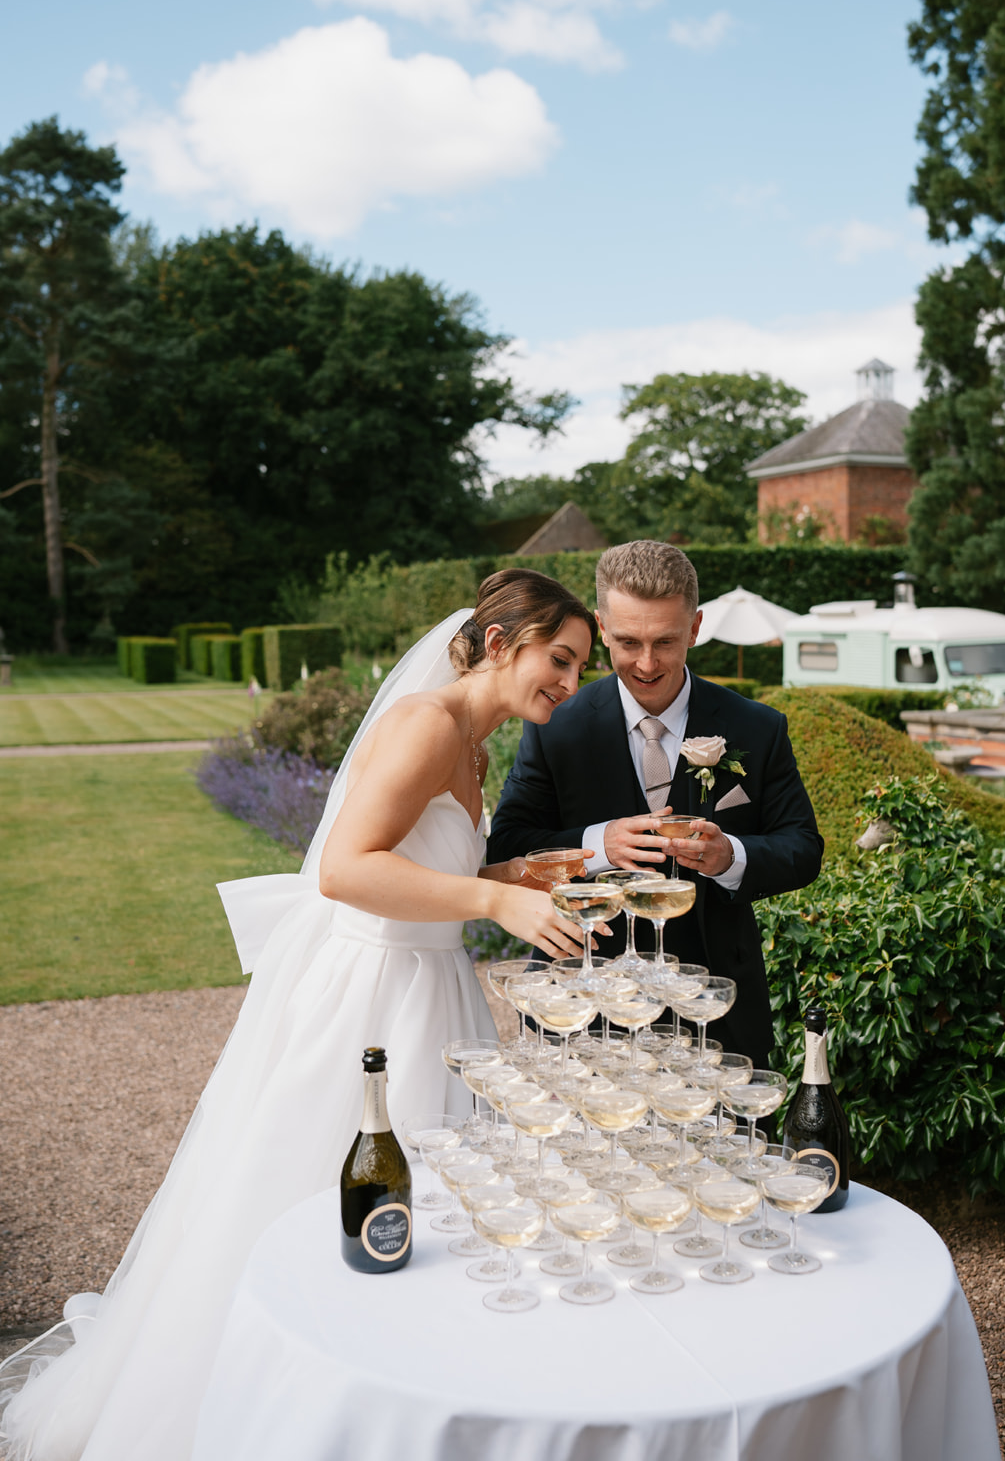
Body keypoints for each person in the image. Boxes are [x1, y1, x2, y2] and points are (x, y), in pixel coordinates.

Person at [0, 569, 595, 1461]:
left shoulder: (474, 746)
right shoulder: (426, 723)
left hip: (431, 995)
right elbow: (346, 870)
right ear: (503, 641)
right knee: (316, 1206)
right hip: (370, 1002)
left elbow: (420, 869)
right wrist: (490, 901)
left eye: (580, 667)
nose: (570, 683)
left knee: (420, 1218)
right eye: (562, 658)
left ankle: (389, 1413)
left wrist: (518, 876)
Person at [488, 541, 823, 1067]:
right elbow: (507, 845)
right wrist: (598, 845)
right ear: (601, 627)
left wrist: (731, 856)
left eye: (665, 641)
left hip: (714, 1009)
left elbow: (803, 848)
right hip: (583, 1004)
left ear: (695, 628)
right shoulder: (556, 725)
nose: (646, 663)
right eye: (627, 642)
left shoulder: (758, 727)